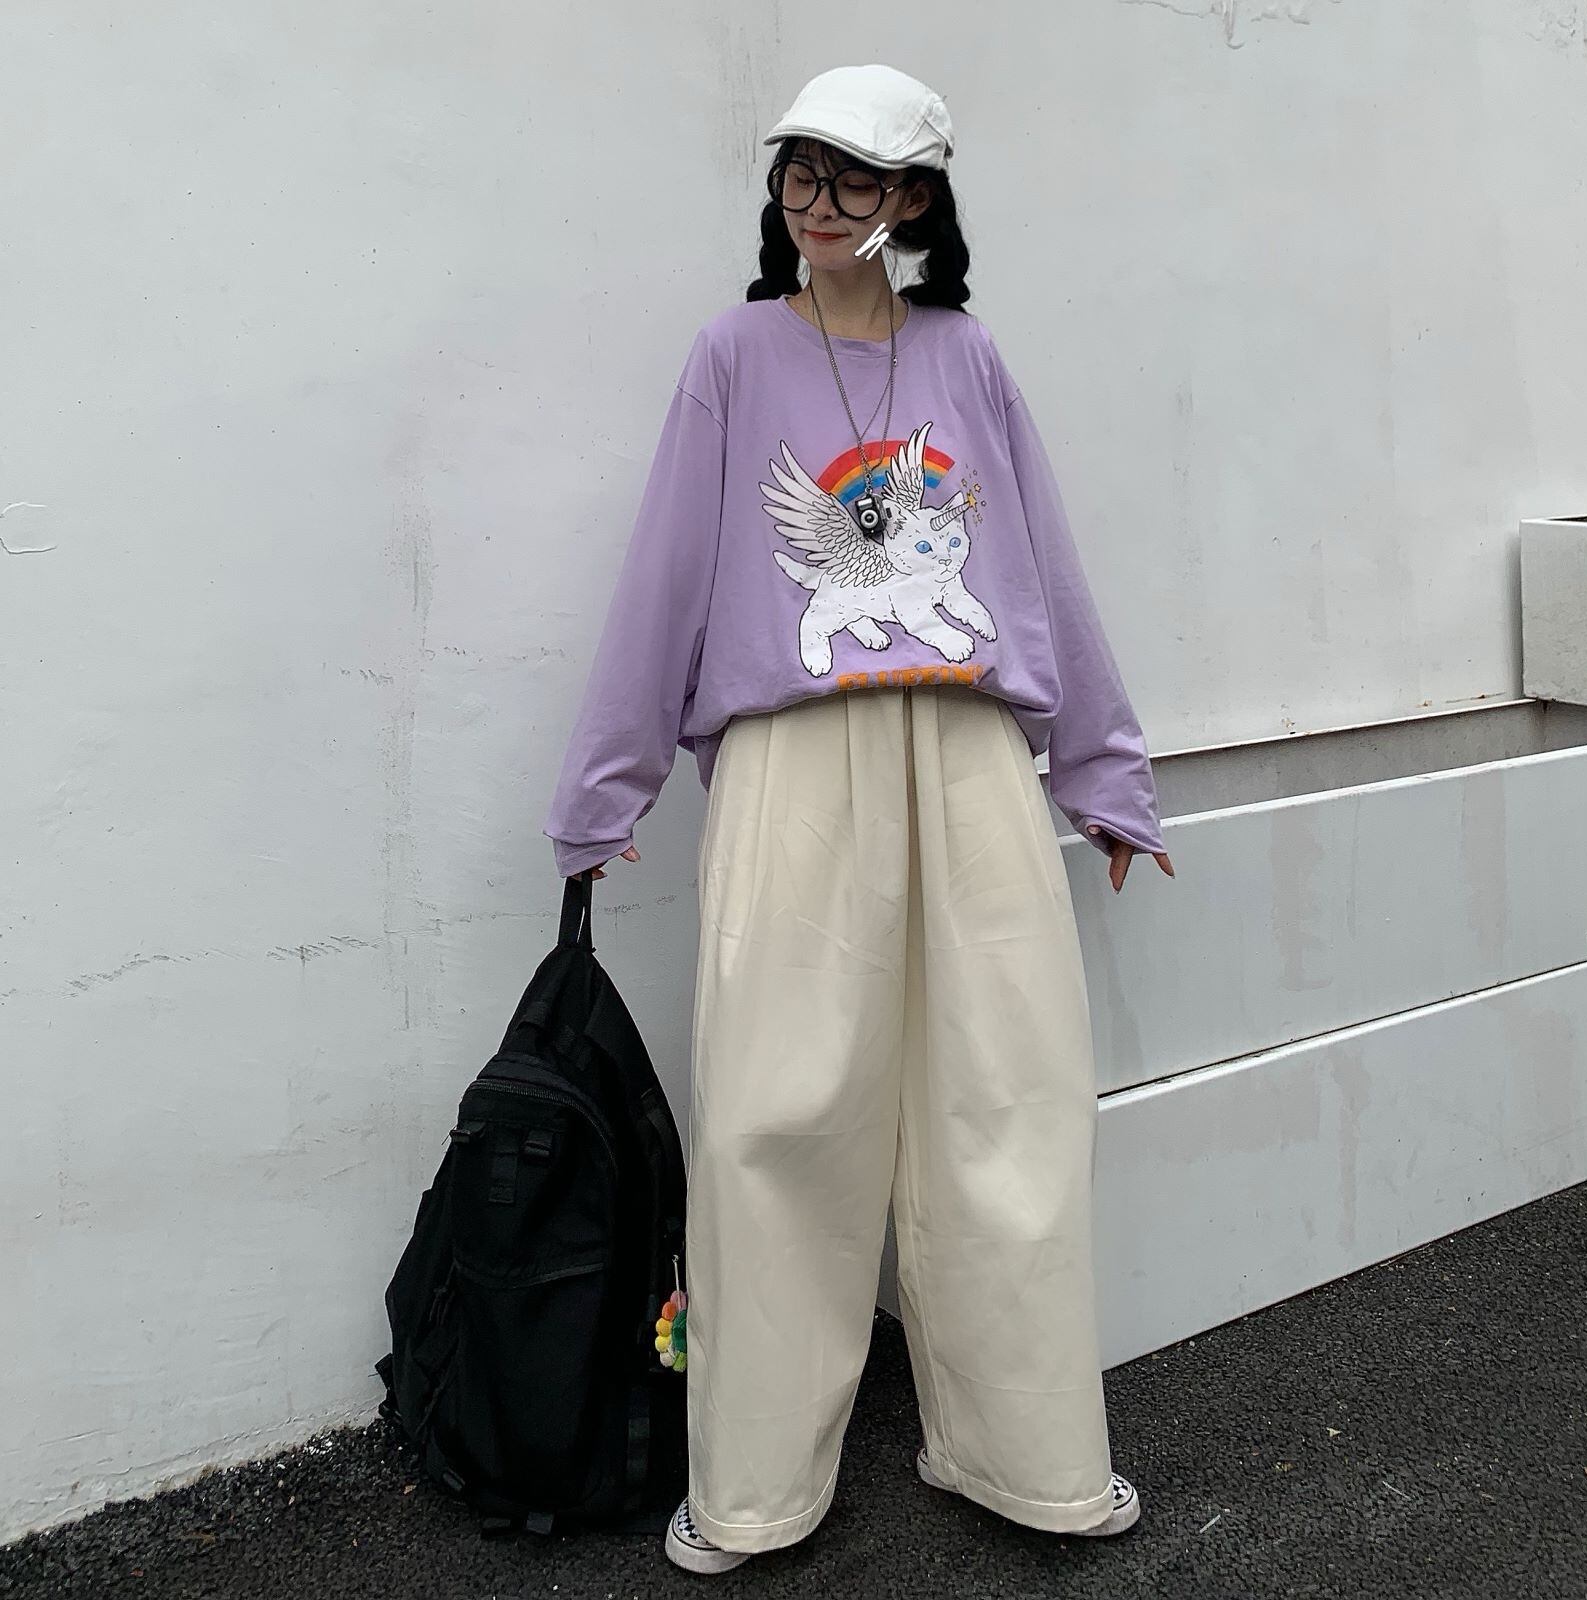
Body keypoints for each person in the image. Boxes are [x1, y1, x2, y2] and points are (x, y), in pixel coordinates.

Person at [543, 62, 1177, 1576]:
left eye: (854, 179)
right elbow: (669, 569)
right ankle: (753, 1489)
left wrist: (1102, 771)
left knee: (1008, 1101)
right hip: (796, 766)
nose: (819, 205)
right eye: (800, 175)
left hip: (967, 755)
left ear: (913, 198)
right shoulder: (732, 354)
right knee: (777, 1116)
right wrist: (608, 785)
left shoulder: (968, 356)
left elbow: (1042, 561)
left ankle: (1029, 1459)